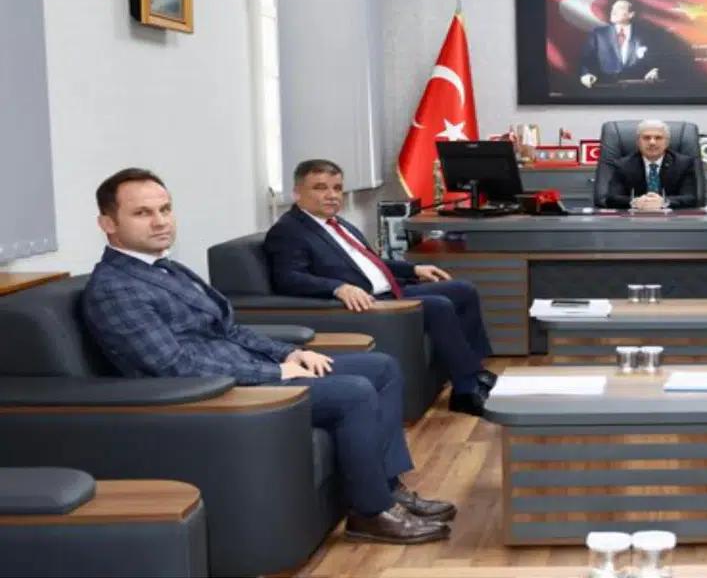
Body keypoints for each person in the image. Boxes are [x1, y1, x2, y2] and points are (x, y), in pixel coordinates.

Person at [80, 168, 453, 545]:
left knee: (381, 367)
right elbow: (174, 367)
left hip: (246, 369)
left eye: (165, 209)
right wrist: (275, 373)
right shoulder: (115, 288)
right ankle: (370, 513)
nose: (160, 221)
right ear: (107, 223)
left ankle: (387, 488)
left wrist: (292, 352)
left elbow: (230, 330)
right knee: (353, 392)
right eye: (142, 213)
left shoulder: (167, 268)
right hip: (214, 394)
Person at [263, 159, 494, 417]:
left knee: (463, 290)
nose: (332, 195)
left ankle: (475, 370)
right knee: (439, 306)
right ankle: (466, 388)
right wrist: (337, 287)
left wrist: (414, 269)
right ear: (297, 193)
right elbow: (288, 278)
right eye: (320, 188)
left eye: (337, 188)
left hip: (391, 288)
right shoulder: (288, 231)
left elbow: (371, 262)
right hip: (369, 302)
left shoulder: (338, 224)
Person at [601, 119, 700, 211]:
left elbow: (691, 198)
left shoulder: (683, 164)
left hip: (673, 219)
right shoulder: (623, 165)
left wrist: (664, 202)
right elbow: (611, 198)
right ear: (638, 142)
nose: (652, 142)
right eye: (646, 138)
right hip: (634, 219)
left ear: (667, 143)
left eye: (658, 138)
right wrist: (635, 202)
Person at [580, 0, 661, 88]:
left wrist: (654, 70)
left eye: (619, 8)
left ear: (631, 14)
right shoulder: (599, 33)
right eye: (613, 8)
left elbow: (655, 59)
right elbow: (588, 59)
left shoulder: (645, 34)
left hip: (637, 86)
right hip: (605, 85)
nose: (613, 12)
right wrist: (587, 74)